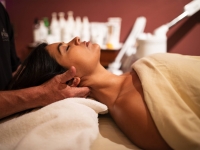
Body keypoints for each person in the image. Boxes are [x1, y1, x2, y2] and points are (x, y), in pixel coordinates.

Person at [7, 37, 200, 150]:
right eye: (65, 48)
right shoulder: (128, 106)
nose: (75, 39)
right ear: (67, 80)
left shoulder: (135, 72)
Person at [0, 3, 90, 119]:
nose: (77, 38)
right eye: (66, 48)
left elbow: (15, 69)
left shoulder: (2, 12)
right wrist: (40, 94)